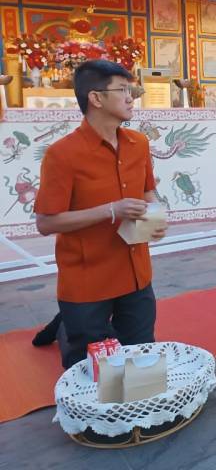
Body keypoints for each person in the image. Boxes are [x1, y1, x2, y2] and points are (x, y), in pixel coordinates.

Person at [33, 60, 166, 369]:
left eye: (132, 90)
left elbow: (148, 192)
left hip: (136, 272)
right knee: (87, 366)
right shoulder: (62, 154)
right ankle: (66, 328)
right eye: (123, 90)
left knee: (140, 358)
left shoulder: (139, 144)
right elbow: (46, 222)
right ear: (96, 98)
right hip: (87, 277)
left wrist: (155, 218)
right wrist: (111, 211)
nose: (132, 98)